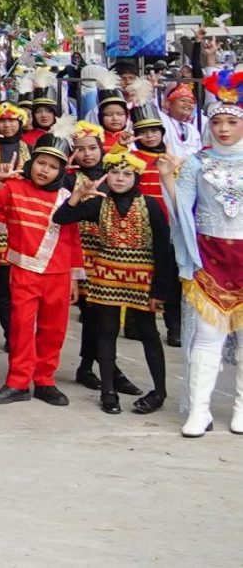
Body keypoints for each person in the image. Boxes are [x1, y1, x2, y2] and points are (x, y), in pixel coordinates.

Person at [54, 150, 173, 415]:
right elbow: (61, 218)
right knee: (105, 331)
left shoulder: (150, 205)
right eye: (115, 173)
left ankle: (160, 391)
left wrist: (160, 290)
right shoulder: (99, 204)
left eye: (126, 174)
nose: (119, 179)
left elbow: (164, 248)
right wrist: (77, 196)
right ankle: (108, 390)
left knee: (148, 333)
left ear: (136, 177)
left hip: (142, 279)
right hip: (105, 277)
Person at [0, 129, 81, 407]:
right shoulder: (14, 187)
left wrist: (75, 277)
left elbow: (72, 238)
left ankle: (45, 380)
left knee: (53, 329)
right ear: (31, 162)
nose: (45, 170)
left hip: (58, 273)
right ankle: (18, 381)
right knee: (21, 327)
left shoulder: (67, 196)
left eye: (53, 166)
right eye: (41, 163)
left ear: (61, 171)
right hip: (23, 270)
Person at [165, 70, 243, 437]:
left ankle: (242, 408)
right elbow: (181, 210)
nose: (223, 128)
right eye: (217, 121)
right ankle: (199, 409)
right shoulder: (196, 162)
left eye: (231, 121)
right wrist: (168, 178)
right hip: (209, 257)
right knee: (207, 337)